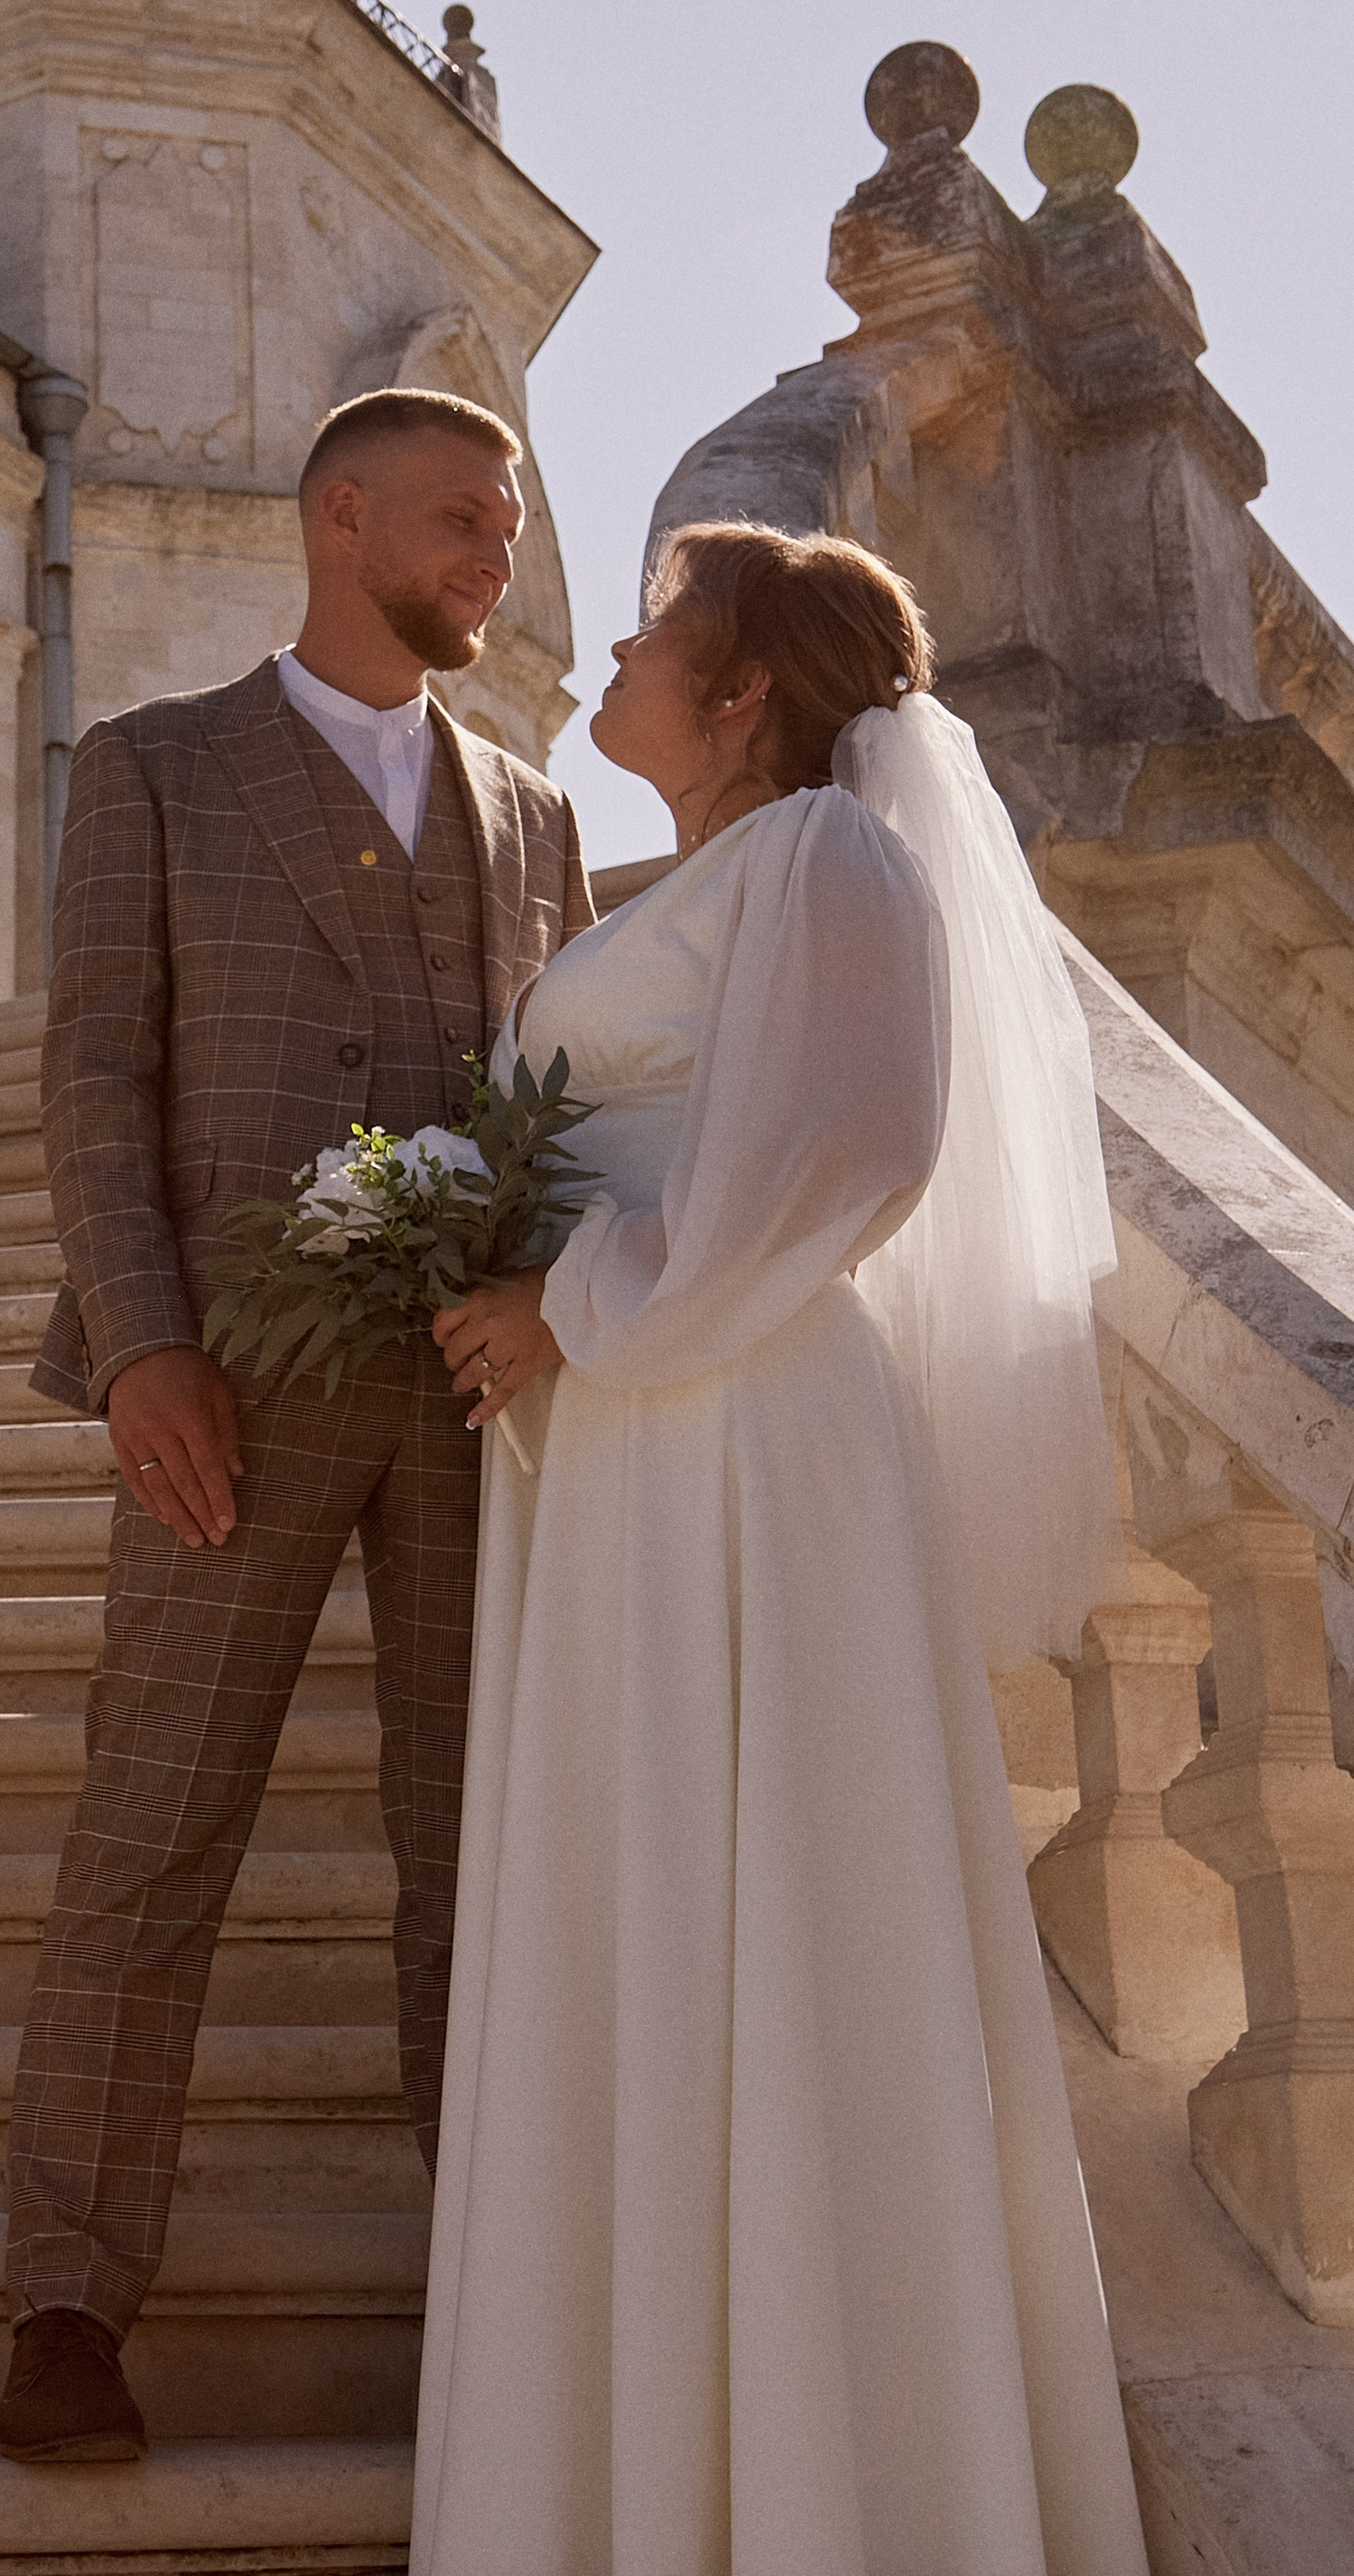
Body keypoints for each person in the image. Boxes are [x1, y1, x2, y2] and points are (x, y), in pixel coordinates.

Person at [413, 522, 1150, 2575]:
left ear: (741, 691)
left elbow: (837, 1158)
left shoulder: (829, 858)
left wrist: (565, 1304)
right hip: (619, 1433)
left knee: (763, 1911)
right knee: (632, 1909)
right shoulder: (685, 888)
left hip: (738, 1427)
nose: (611, 654)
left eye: (658, 629)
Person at [0, 386, 595, 2464]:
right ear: (341, 518)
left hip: (474, 1401)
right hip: (226, 1394)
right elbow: (94, 1077)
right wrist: (138, 1344)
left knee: (476, 1859)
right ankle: (67, 2301)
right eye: (460, 520)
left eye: (501, 526)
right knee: (149, 1835)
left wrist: (556, 1303)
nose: (494, 558)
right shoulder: (151, 764)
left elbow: (569, 1104)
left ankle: (499, 2318)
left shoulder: (532, 817)